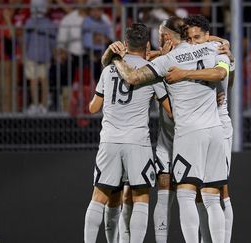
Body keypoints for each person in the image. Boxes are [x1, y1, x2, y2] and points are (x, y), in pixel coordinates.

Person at [110, 16, 230, 243]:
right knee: (213, 198)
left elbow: (133, 77)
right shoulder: (214, 48)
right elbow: (222, 69)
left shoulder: (168, 61)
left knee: (185, 195)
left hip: (188, 134)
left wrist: (114, 59)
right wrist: (224, 45)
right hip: (215, 132)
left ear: (165, 37)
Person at [84, 23, 171, 243]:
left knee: (99, 197)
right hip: (137, 142)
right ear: (148, 45)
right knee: (140, 197)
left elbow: (93, 108)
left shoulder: (109, 68)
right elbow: (171, 111)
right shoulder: (152, 72)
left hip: (110, 141)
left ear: (124, 44)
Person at [165, 14, 235, 243]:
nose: (194, 42)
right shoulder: (209, 50)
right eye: (190, 38)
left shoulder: (218, 52)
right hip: (203, 126)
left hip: (219, 124)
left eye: (198, 37)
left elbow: (225, 77)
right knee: (202, 194)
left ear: (207, 35)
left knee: (218, 191)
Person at [24, 0, 57, 114]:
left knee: (35, 81)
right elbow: (53, 43)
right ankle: (41, 105)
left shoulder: (29, 22)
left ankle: (37, 104)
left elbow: (25, 41)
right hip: (43, 55)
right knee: (43, 81)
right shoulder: (49, 23)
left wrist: (24, 54)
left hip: (32, 55)